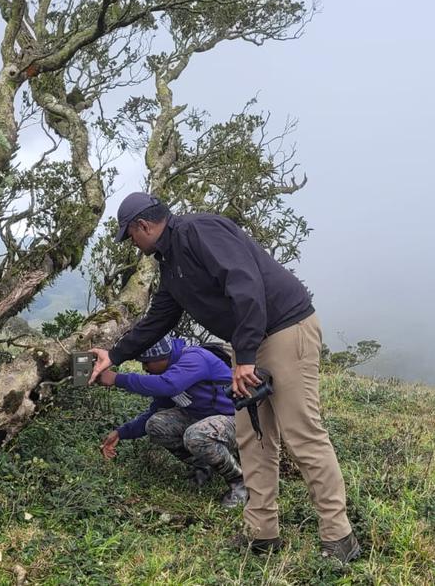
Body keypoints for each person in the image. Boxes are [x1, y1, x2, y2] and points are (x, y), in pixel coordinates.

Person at [88, 192, 359, 563]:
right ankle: (261, 534)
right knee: (253, 438)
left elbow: (244, 283)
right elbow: (158, 319)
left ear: (144, 226)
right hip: (248, 343)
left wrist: (244, 356)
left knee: (302, 434)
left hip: (283, 329)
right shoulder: (171, 264)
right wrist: (114, 355)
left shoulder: (200, 231)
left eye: (130, 236)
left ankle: (339, 537)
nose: (132, 244)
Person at [95, 335, 247, 507]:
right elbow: (157, 410)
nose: (144, 368)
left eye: (146, 362)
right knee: (156, 424)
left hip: (238, 420)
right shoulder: (166, 372)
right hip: (204, 421)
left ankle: (239, 482)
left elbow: (169, 385)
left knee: (197, 434)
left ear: (161, 357)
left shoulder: (194, 358)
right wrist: (121, 433)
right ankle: (204, 466)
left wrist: (117, 379)